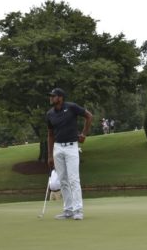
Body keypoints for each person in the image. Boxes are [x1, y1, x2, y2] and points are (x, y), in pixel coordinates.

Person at [46, 88, 93, 220]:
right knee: (63, 181)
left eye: (53, 96)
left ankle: (78, 210)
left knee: (73, 179)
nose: (50, 98)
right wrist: (50, 155)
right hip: (58, 148)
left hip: (72, 147)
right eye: (50, 96)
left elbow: (89, 116)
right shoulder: (50, 114)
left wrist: (84, 134)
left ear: (60, 97)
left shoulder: (71, 107)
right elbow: (50, 135)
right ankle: (68, 210)